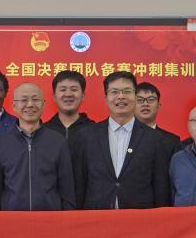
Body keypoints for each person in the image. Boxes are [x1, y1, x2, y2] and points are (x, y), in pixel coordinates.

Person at [72, 71, 171, 210]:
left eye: (127, 91)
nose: (121, 97)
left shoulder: (155, 139)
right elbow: (79, 184)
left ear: (135, 97)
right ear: (106, 98)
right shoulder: (86, 136)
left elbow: (161, 188)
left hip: (139, 217)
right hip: (96, 215)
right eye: (114, 92)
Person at [0, 82, 75, 211]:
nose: (30, 105)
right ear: (14, 105)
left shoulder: (58, 141)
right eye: (24, 100)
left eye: (35, 99)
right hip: (12, 218)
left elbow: (67, 189)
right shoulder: (1, 143)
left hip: (50, 217)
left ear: (43, 104)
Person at [44, 70, 93, 144]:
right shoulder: (43, 130)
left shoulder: (94, 130)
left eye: (74, 90)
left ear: (83, 96)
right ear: (54, 97)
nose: (68, 94)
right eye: (63, 90)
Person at [135, 81, 182, 154]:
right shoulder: (123, 137)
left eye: (151, 100)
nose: (145, 104)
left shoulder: (172, 141)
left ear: (158, 106)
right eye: (140, 100)